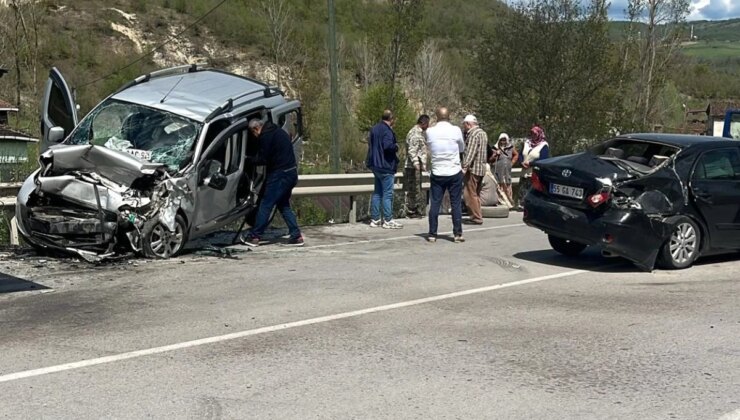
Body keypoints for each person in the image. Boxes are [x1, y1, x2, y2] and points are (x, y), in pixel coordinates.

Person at [240, 119, 304, 247]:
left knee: (265, 204)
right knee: (283, 205)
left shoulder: (266, 136)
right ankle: (296, 235)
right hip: (291, 173)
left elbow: (263, 158)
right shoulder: (278, 131)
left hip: (279, 175)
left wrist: (247, 160)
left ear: (255, 129)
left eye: (253, 134)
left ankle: (255, 237)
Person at [425, 107, 465, 243]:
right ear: (449, 116)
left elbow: (430, 147)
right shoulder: (456, 130)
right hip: (453, 170)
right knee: (456, 203)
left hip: (437, 171)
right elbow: (461, 148)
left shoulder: (430, 132)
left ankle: (432, 234)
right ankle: (457, 233)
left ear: (436, 117)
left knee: (435, 203)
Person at [366, 109, 403, 229]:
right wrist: (395, 147)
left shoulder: (374, 129)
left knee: (377, 193)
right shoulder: (387, 131)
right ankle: (388, 219)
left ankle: (375, 219)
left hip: (375, 164)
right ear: (391, 119)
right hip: (386, 165)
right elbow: (387, 146)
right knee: (388, 194)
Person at [461, 114, 488, 225]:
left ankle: (476, 217)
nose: (464, 127)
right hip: (481, 168)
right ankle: (477, 214)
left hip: (473, 169)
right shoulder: (483, 133)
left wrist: (464, 166)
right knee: (476, 194)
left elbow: (470, 152)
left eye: (464, 125)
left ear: (468, 124)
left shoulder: (473, 134)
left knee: (469, 194)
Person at [403, 114, 430, 218]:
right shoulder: (415, 134)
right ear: (423, 123)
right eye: (427, 124)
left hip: (416, 165)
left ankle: (416, 209)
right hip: (412, 167)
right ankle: (411, 211)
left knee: (416, 189)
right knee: (413, 189)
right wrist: (416, 163)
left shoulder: (419, 133)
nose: (428, 126)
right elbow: (412, 150)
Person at [517, 125, 550, 208]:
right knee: (522, 189)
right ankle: (521, 204)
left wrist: (531, 164)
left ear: (539, 134)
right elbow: (520, 154)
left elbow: (544, 159)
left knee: (532, 190)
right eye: (532, 134)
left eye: (535, 134)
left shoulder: (544, 145)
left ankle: (531, 206)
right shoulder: (527, 143)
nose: (533, 135)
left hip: (534, 173)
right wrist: (521, 162)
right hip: (524, 171)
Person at [490, 132, 518, 205]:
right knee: (499, 185)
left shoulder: (511, 147)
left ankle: (509, 202)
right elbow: (490, 159)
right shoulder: (494, 148)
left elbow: (516, 155)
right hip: (498, 170)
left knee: (507, 184)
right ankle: (500, 201)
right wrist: (496, 154)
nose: (503, 142)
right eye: (501, 140)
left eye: (504, 140)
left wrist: (512, 163)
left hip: (507, 170)